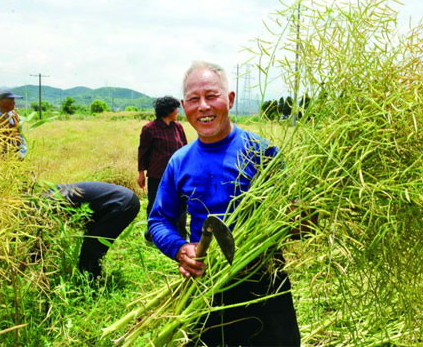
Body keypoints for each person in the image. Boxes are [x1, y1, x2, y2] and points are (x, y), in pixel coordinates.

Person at [148, 61, 300, 346]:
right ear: (183, 106)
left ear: (229, 100)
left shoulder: (262, 152)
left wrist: (301, 220)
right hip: (206, 284)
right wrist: (181, 248)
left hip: (265, 280)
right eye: (194, 99)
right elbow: (159, 220)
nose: (203, 106)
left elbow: (295, 218)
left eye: (211, 96)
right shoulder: (180, 161)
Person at [53, 182, 140, 279]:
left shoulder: (47, 202)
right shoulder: (51, 195)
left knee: (91, 249)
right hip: (112, 204)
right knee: (90, 243)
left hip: (123, 203)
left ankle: (92, 285)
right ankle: (92, 279)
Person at [138, 96, 187, 240]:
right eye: (176, 108)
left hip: (178, 175)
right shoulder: (149, 129)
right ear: (168, 110)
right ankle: (153, 234)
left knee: (181, 204)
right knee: (155, 204)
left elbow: (184, 148)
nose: (178, 111)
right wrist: (141, 173)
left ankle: (180, 235)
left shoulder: (178, 127)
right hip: (157, 175)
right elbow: (143, 152)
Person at [0, 90, 27, 158]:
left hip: (16, 157)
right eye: (11, 100)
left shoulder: (15, 115)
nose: (14, 102)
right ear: (1, 102)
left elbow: (21, 137)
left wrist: (21, 154)